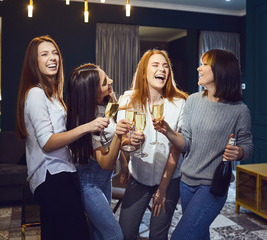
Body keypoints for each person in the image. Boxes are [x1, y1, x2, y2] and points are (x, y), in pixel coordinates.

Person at [153, 49, 254, 240]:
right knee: (198, 234)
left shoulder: (240, 110)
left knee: (182, 236)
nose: (199, 68)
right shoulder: (192, 101)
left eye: (205, 64)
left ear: (220, 70)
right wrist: (167, 131)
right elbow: (186, 142)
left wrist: (239, 152)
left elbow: (248, 146)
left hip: (212, 186)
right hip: (187, 182)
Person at [16, 36, 107, 240]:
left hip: (63, 173)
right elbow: (47, 143)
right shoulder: (35, 94)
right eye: (44, 54)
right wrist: (87, 127)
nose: (52, 58)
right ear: (34, 61)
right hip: (52, 177)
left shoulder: (53, 96)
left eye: (55, 52)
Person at [117, 49, 188, 240]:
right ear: (144, 72)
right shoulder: (127, 100)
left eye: (165, 67)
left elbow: (177, 149)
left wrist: (163, 188)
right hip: (138, 177)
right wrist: (129, 142)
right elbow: (121, 141)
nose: (162, 70)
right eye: (155, 65)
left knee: (158, 235)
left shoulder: (180, 103)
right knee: (125, 232)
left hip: (170, 179)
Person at [66, 63, 131, 240]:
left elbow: (110, 139)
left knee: (99, 232)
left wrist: (124, 165)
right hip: (89, 183)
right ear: (91, 91)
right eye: (104, 82)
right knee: (115, 234)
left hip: (106, 178)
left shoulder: (107, 104)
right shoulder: (86, 120)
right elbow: (105, 162)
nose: (110, 81)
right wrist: (120, 135)